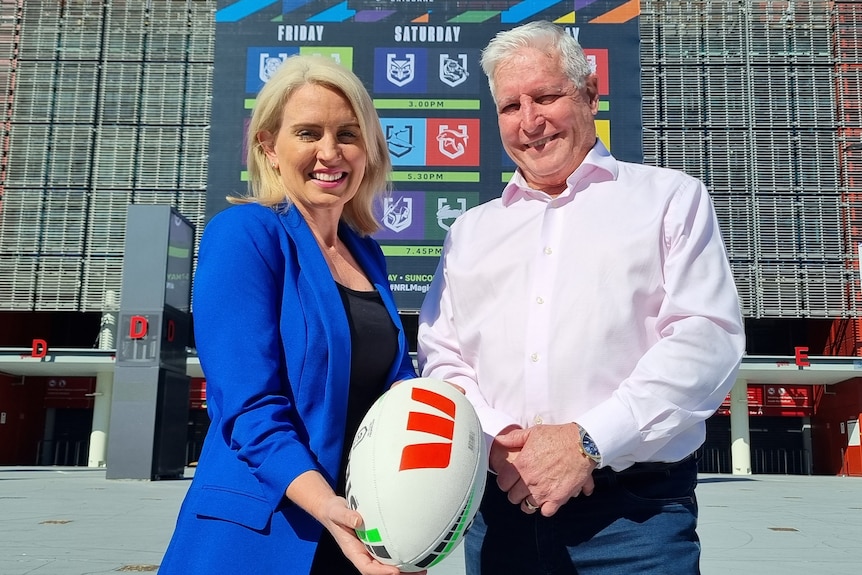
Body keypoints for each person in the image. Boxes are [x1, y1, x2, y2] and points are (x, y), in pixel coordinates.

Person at [417, 21, 746, 575]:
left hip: (634, 525)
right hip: (501, 512)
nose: (530, 121)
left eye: (546, 96)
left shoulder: (669, 199)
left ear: (591, 94)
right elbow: (443, 358)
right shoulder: (470, 232)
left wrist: (587, 443)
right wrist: (500, 444)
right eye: (510, 106)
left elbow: (705, 337)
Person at [160, 54, 418, 575]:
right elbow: (249, 406)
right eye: (307, 133)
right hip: (263, 537)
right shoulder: (245, 234)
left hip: (363, 533)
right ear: (269, 147)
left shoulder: (367, 253)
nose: (330, 152)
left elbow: (393, 384)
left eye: (347, 133)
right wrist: (330, 511)